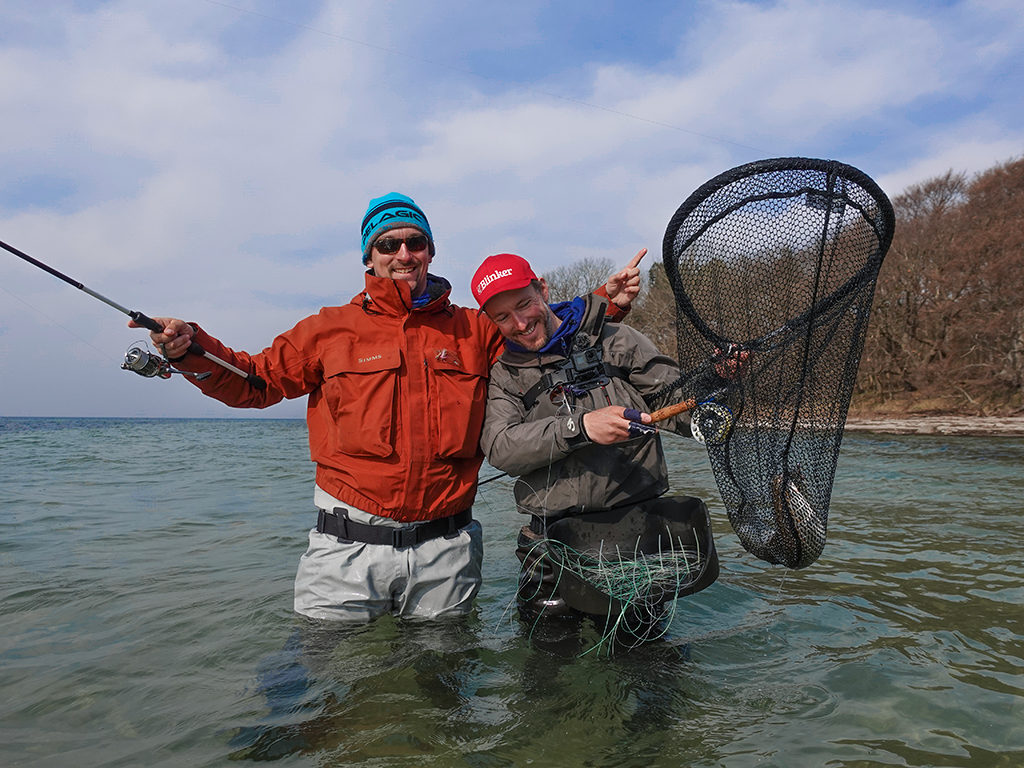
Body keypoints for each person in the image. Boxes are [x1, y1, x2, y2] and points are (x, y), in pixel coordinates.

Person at [132, 193, 643, 623]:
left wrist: (607, 300)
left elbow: (535, 327)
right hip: (344, 552)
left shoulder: (475, 328)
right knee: (320, 696)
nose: (403, 252)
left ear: (429, 252)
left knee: (439, 695)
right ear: (369, 258)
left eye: (414, 242)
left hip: (448, 549)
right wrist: (189, 347)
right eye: (388, 244)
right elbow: (254, 382)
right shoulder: (327, 329)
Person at [473, 253, 725, 625]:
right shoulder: (504, 376)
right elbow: (500, 446)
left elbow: (677, 402)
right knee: (546, 668)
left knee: (647, 663)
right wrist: (581, 427)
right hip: (550, 543)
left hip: (638, 534)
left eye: (524, 304)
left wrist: (718, 387)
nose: (520, 323)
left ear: (542, 289)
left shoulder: (618, 340)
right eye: (503, 317)